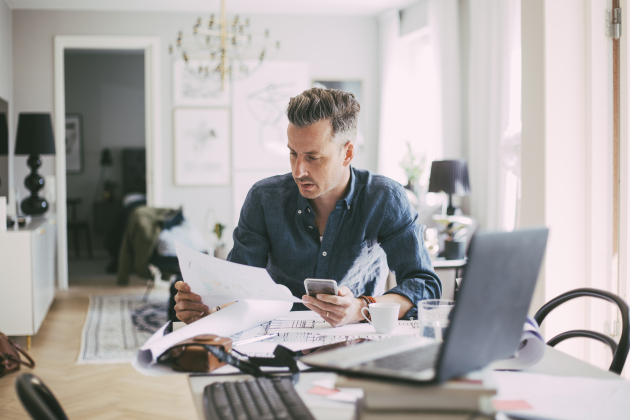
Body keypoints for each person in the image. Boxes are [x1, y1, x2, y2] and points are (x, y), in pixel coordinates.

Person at [174, 87, 441, 326]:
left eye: (313, 157)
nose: (299, 170)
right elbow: (238, 285)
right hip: (273, 337)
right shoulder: (264, 199)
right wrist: (209, 310)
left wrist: (361, 308)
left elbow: (424, 285)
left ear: (347, 153)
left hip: (355, 337)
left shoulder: (384, 198)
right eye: (293, 153)